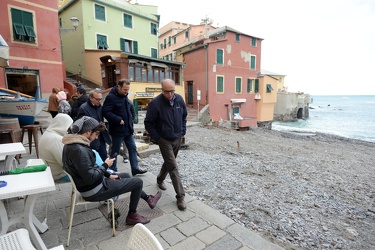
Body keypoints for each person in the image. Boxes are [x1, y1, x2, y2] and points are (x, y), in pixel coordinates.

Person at [62, 116, 161, 225]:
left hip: (91, 186)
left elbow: (91, 167)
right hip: (94, 191)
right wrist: (105, 165)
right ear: (88, 131)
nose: (96, 138)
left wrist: (108, 175)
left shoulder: (72, 145)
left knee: (126, 175)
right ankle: (132, 215)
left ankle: (148, 199)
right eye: (96, 134)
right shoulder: (79, 150)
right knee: (138, 182)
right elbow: (90, 178)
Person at [144, 79, 187, 211]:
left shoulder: (179, 99)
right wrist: (157, 138)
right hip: (164, 139)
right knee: (173, 167)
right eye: (167, 92)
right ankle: (180, 197)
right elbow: (148, 123)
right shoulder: (155, 103)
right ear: (162, 90)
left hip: (177, 137)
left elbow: (184, 116)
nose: (169, 94)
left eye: (172, 91)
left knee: (169, 162)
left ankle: (159, 179)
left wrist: (182, 131)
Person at [102, 79, 147, 175]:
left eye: (128, 89)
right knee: (115, 151)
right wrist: (117, 119)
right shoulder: (111, 97)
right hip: (117, 130)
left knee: (132, 148)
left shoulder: (124, 96)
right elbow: (105, 112)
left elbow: (129, 110)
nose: (126, 91)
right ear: (119, 87)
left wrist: (131, 122)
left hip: (128, 129)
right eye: (125, 89)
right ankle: (113, 171)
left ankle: (135, 168)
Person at [77, 88, 110, 162]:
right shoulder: (83, 108)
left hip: (101, 137)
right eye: (97, 99)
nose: (99, 101)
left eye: (101, 99)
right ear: (91, 98)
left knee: (104, 158)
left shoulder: (100, 107)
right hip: (90, 139)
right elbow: (81, 125)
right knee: (93, 159)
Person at [39, 113, 73, 183]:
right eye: (68, 128)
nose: (68, 131)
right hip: (59, 175)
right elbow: (65, 163)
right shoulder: (56, 139)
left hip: (49, 170)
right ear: (63, 126)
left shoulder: (47, 133)